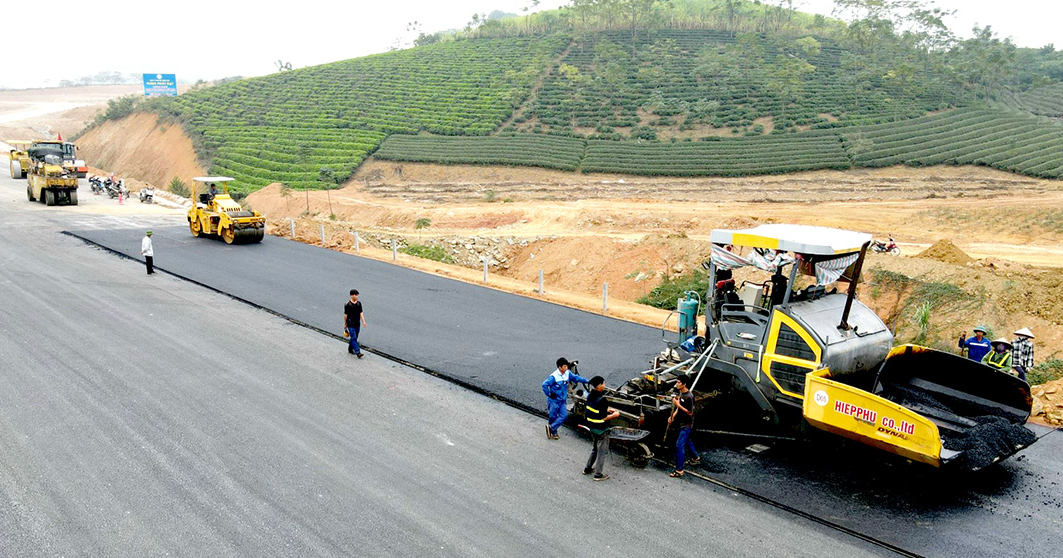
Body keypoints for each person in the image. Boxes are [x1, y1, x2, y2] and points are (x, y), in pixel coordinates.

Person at [583, 376, 621, 482]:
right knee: (602, 452)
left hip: (592, 427)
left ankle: (587, 468)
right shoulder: (603, 400)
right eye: (604, 383)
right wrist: (615, 415)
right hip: (601, 429)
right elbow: (603, 417)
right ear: (599, 385)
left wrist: (607, 410)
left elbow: (596, 410)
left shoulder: (590, 396)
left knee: (595, 448)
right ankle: (598, 474)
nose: (605, 385)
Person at [541, 357, 589, 440]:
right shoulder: (554, 377)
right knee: (553, 417)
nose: (566, 368)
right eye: (564, 366)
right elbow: (544, 385)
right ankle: (554, 432)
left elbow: (576, 378)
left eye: (567, 366)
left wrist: (588, 381)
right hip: (554, 401)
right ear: (559, 367)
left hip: (562, 400)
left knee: (564, 415)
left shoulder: (567, 373)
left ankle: (551, 428)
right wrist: (549, 394)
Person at [668, 373, 700, 478]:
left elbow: (690, 412)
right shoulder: (681, 393)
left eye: (678, 382)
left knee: (679, 445)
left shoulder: (689, 397)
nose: (676, 384)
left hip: (687, 424)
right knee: (687, 440)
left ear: (684, 384)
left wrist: (678, 405)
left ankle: (679, 470)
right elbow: (678, 409)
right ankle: (695, 458)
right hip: (681, 422)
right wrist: (672, 416)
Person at [343, 289, 367, 358]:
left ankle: (350, 349)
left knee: (354, 337)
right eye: (354, 295)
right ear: (351, 295)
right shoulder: (348, 304)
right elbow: (345, 315)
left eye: (356, 295)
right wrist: (345, 323)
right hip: (350, 324)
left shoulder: (359, 303)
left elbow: (361, 313)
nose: (356, 296)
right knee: (353, 337)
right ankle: (358, 352)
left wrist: (363, 321)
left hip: (357, 323)